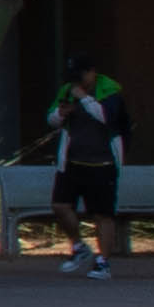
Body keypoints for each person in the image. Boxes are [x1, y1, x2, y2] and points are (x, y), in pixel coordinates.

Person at [41, 63, 133, 277]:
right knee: (60, 205)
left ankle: (103, 261)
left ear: (92, 72)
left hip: (103, 164)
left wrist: (83, 97)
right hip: (72, 162)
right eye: (73, 77)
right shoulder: (67, 91)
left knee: (103, 214)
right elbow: (52, 120)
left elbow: (106, 117)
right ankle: (79, 246)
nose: (77, 82)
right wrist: (60, 114)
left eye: (81, 76)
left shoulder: (110, 92)